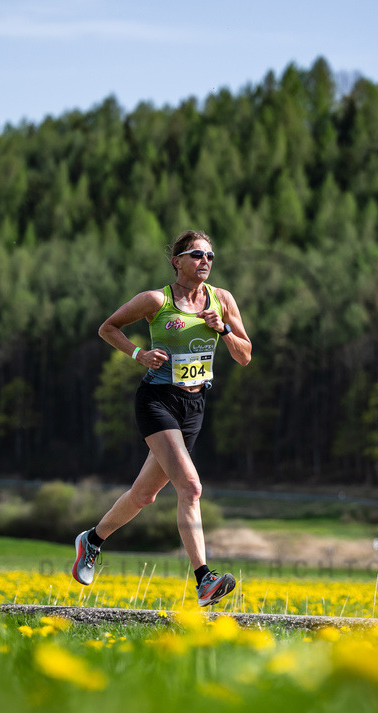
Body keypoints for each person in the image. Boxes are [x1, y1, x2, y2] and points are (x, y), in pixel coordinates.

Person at [72, 229, 253, 607]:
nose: (205, 261)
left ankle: (92, 540)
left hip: (194, 407)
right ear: (177, 261)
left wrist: (223, 329)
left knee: (144, 495)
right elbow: (108, 328)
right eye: (197, 255)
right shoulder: (156, 300)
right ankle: (204, 580)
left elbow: (244, 354)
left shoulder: (222, 301)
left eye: (210, 256)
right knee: (191, 486)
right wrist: (139, 354)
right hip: (157, 401)